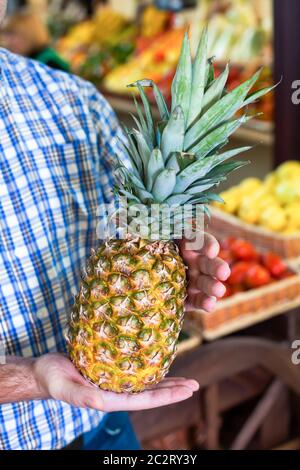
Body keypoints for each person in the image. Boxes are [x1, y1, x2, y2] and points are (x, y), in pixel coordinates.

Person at [0, 0, 230, 450]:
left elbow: (127, 215)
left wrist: (174, 241)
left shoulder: (77, 101)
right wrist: (27, 378)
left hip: (105, 431)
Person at [0, 9, 70, 72]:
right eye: (7, 36)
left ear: (30, 35)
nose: (9, 42)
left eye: (14, 35)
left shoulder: (49, 62)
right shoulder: (27, 57)